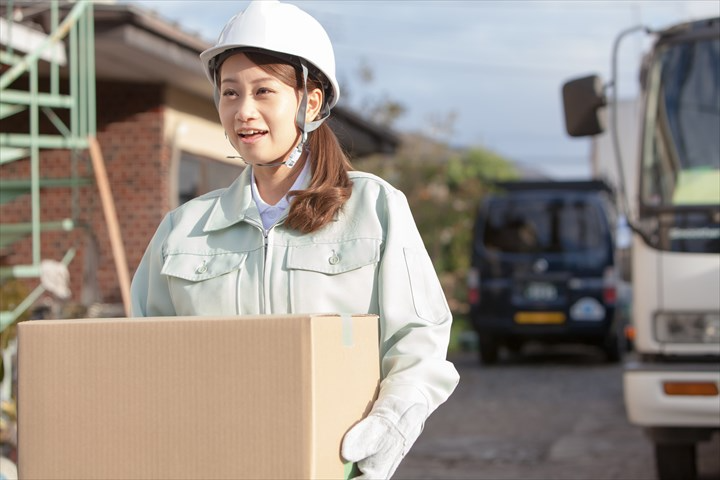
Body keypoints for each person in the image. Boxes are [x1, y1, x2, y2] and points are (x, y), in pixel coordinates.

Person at [130, 1, 459, 478]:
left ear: (310, 101)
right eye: (229, 93)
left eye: (264, 91)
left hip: (332, 466)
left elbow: (418, 341)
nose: (243, 112)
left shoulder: (373, 208)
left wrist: (394, 419)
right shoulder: (183, 230)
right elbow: (144, 359)